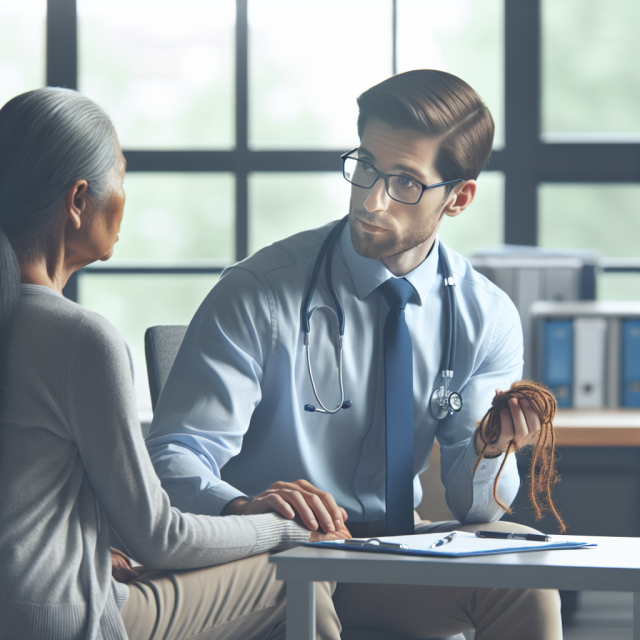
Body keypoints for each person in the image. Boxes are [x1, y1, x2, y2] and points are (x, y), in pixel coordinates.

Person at [146, 70, 563, 638]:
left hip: (394, 552)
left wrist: (489, 452)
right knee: (302, 596)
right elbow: (175, 454)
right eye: (365, 166)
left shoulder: (486, 316)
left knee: (521, 568)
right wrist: (241, 508)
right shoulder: (259, 290)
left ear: (459, 198)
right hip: (277, 556)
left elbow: (477, 511)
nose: (371, 200)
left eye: (405, 183)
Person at [0, 87, 349, 640]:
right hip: (65, 618)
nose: (125, 197)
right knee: (300, 574)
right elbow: (160, 536)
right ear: (77, 200)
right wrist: (286, 528)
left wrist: (94, 538)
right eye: (121, 174)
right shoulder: (80, 339)